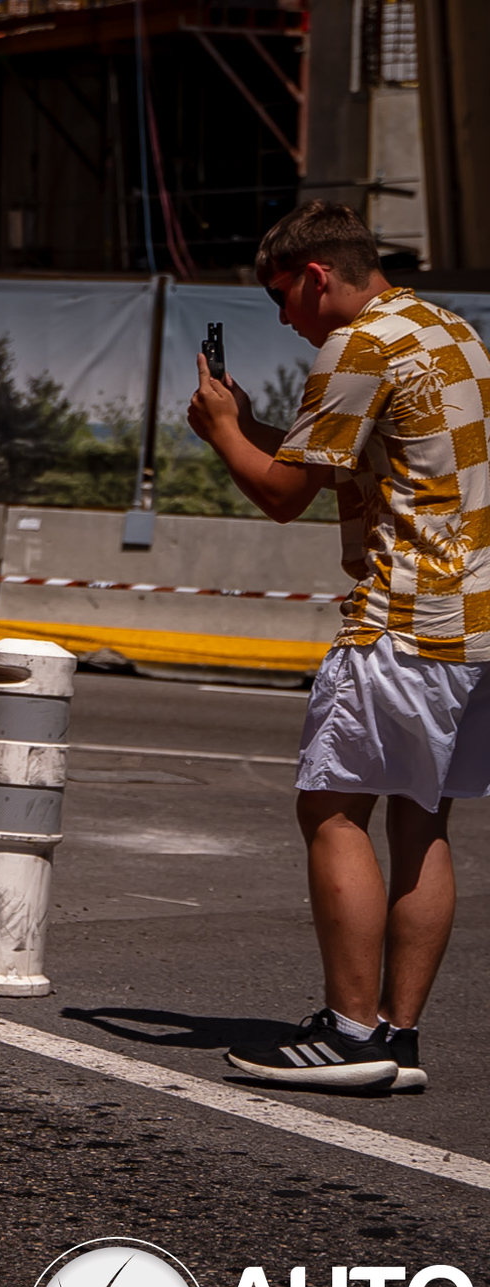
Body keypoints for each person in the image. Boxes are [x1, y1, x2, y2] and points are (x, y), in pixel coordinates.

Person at [187, 201, 490, 1094]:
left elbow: (283, 496)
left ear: (316, 275)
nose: (283, 318)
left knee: (330, 809)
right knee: (421, 817)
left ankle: (351, 1032)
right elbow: (333, 469)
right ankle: (396, 1035)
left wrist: (221, 433)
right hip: (469, 620)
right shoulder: (447, 330)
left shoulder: (356, 344)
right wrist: (253, 428)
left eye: (283, 297)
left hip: (398, 620)